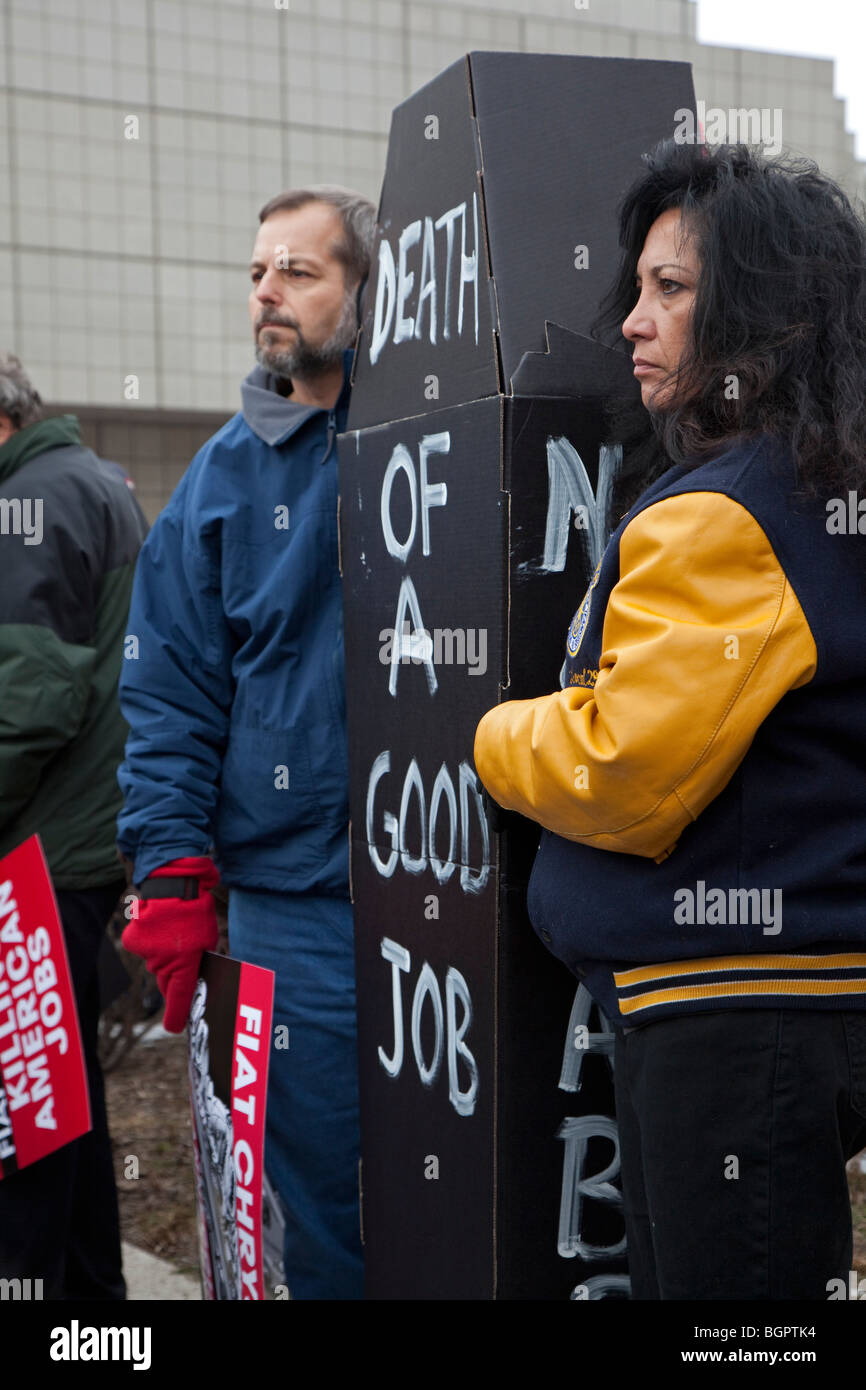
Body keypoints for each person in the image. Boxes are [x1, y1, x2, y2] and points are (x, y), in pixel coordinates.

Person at [473, 141, 866, 1300]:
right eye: (635, 289)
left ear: (766, 314)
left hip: (734, 1021)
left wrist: (492, 735)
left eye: (669, 289)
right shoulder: (812, 483)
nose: (632, 324)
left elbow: (623, 772)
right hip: (772, 1008)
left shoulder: (728, 515)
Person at [117, 185, 377, 1301]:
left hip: (460, 899)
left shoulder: (440, 440)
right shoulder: (219, 482)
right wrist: (171, 873)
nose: (266, 291)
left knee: (468, 1200)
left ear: (369, 294)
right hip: (290, 910)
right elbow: (169, 693)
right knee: (313, 1211)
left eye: (299, 271)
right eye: (257, 271)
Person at [0, 352, 148, 1299]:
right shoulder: (81, 480)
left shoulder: (35, 499)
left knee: (25, 1125)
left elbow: (29, 700)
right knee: (59, 1103)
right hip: (76, 848)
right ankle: (94, 1315)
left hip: (43, 855)